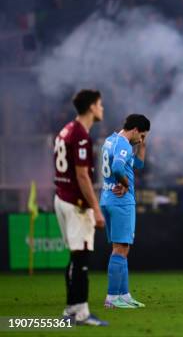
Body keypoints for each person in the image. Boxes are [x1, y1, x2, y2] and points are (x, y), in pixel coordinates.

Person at [53, 89, 108, 326]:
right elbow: (82, 176)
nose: (102, 108)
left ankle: (71, 310)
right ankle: (81, 313)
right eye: (100, 104)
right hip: (76, 204)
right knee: (81, 256)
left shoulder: (66, 130)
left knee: (75, 256)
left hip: (62, 198)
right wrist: (95, 208)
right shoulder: (81, 136)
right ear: (91, 108)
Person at [99, 114, 150, 308]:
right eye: (142, 136)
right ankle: (112, 297)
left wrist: (142, 147)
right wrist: (125, 183)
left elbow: (137, 164)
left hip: (107, 198)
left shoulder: (110, 140)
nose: (141, 139)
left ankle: (124, 294)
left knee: (122, 248)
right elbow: (118, 167)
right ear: (135, 129)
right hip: (121, 201)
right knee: (120, 249)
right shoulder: (124, 145)